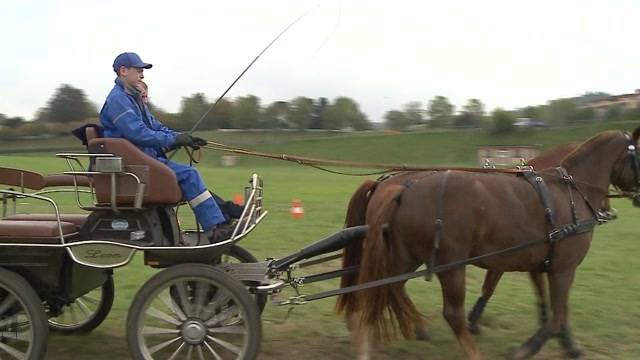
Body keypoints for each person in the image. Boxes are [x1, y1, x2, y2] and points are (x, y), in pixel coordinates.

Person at [99, 52, 234, 243]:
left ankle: (220, 220)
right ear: (123, 71)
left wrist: (182, 137)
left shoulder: (133, 98)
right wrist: (173, 141)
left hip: (144, 159)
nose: (142, 75)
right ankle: (216, 228)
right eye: (139, 70)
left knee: (188, 175)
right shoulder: (117, 101)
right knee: (189, 174)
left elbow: (156, 126)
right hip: (134, 165)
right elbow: (138, 133)